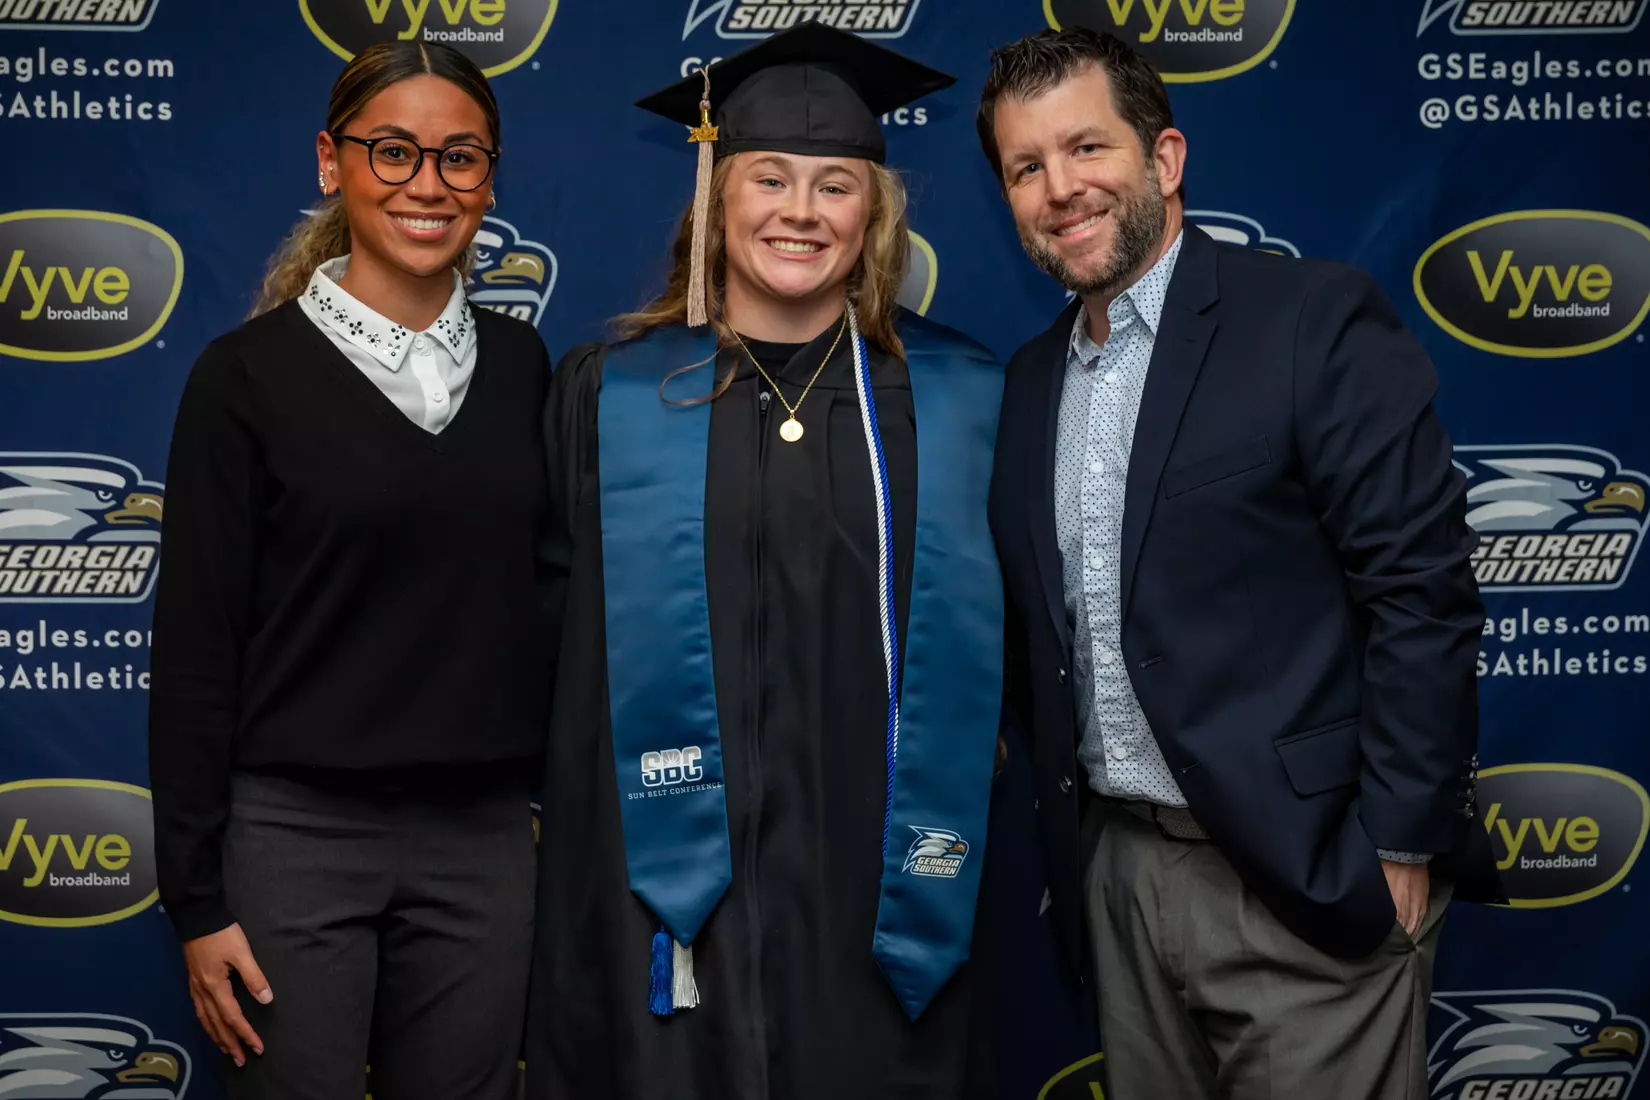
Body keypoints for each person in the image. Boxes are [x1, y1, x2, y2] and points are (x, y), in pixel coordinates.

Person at [976, 26, 1503, 1100]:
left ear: (1165, 158)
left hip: (1305, 875)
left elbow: (1422, 592)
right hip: (1121, 876)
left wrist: (1399, 846)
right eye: (1026, 167)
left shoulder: (1309, 321)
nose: (1060, 188)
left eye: (1087, 148)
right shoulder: (1029, 383)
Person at [523, 23, 1005, 1100]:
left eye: (836, 184)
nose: (802, 210)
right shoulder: (613, 395)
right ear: (716, 197)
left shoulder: (957, 397)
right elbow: (551, 643)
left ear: (873, 213)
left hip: (878, 878)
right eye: (770, 178)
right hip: (662, 881)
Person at [147, 40, 550, 1100]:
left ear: (490, 179)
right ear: (333, 162)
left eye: (460, 157)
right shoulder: (243, 377)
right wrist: (196, 901)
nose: (428, 184)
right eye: (393, 151)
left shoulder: (524, 369)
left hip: (482, 843)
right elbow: (193, 652)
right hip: (295, 843)